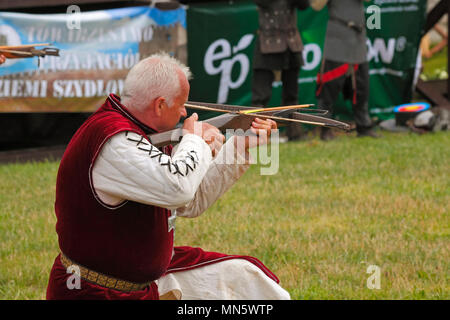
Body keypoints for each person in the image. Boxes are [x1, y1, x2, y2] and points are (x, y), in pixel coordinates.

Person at [46, 53, 290, 300]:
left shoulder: (143, 132)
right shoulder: (113, 138)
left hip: (143, 284)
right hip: (92, 293)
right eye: (182, 103)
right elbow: (178, 188)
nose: (185, 112)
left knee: (248, 280)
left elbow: (190, 201)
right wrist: (195, 140)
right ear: (160, 104)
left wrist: (241, 144)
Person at [312, 0, 379, 140]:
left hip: (357, 37)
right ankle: (325, 129)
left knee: (361, 86)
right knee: (329, 87)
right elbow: (315, 6)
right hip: (337, 38)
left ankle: (364, 126)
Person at [252, 0, 310, 141]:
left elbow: (304, 5)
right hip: (268, 41)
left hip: (291, 42)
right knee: (260, 96)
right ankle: (255, 135)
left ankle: (294, 133)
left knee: (291, 94)